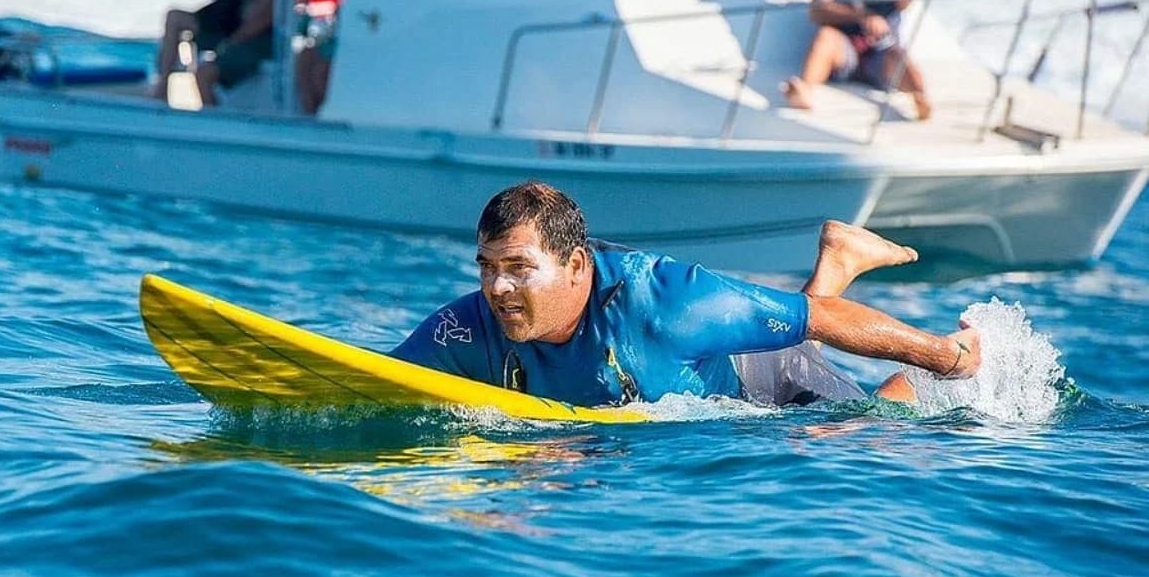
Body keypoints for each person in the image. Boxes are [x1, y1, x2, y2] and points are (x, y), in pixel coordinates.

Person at [391, 182, 979, 408]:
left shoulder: (672, 304)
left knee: (864, 427)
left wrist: (946, 358)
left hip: (765, 379)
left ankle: (933, 369)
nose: (498, 288)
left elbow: (816, 318)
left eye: (518, 268)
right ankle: (841, 257)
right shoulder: (470, 325)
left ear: (575, 265)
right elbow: (372, 379)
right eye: (487, 268)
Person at [783, 0, 932, 121]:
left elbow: (905, 2)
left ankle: (919, 98)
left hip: (883, 49)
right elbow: (818, 10)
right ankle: (805, 89)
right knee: (825, 37)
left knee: (898, 58)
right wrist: (862, 17)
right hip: (843, 47)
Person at [151, 0, 275, 107]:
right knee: (175, 18)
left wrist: (229, 44)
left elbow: (263, 18)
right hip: (229, 25)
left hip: (254, 41)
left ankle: (212, 114)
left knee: (204, 74)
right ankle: (162, 87)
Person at [296, 0, 348, 115]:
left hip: (343, 39)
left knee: (321, 74)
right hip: (323, 37)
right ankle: (312, 116)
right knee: (305, 59)